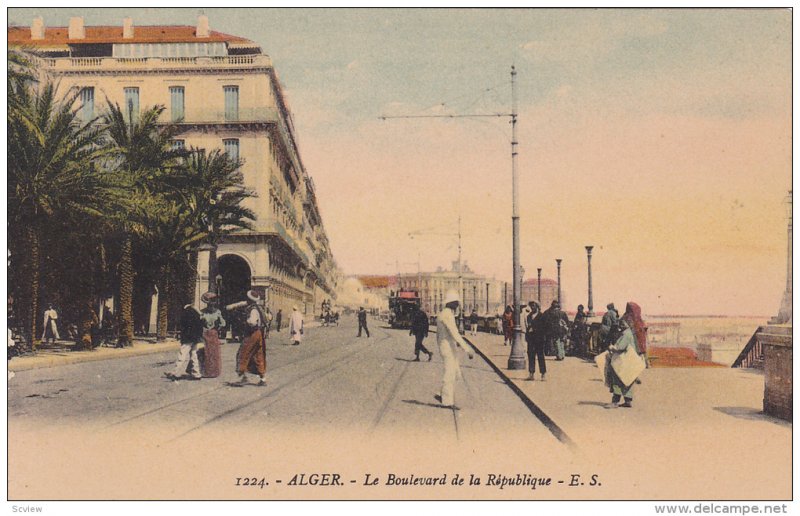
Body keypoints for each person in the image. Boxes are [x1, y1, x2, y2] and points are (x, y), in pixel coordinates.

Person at [434, 290, 475, 409]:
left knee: (456, 373)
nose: (458, 305)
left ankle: (441, 393)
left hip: (447, 347)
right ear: (451, 303)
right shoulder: (447, 315)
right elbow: (454, 333)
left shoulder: (444, 314)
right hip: (447, 349)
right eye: (456, 302)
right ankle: (447, 401)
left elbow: (441, 335)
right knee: (450, 373)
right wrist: (467, 349)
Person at [604, 318, 646, 408]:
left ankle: (615, 402)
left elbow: (620, 347)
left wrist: (611, 347)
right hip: (629, 361)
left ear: (627, 324)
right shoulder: (629, 333)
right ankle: (628, 400)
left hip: (622, 361)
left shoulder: (626, 334)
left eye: (622, 323)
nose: (620, 325)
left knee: (616, 380)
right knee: (627, 380)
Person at [236, 290, 268, 385]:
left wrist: (245, 321)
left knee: (243, 353)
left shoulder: (253, 310)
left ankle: (243, 377)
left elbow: (252, 322)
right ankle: (263, 379)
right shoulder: (259, 308)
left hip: (252, 333)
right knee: (258, 355)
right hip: (259, 334)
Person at [166, 304, 204, 381]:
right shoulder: (197, 313)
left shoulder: (185, 313)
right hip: (195, 338)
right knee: (194, 355)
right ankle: (196, 373)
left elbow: (182, 326)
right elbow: (200, 326)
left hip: (187, 338)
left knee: (182, 355)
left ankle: (176, 373)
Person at [199, 292, 226, 378]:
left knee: (207, 352)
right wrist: (217, 328)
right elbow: (223, 323)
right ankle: (212, 372)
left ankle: (205, 372)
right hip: (213, 333)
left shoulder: (202, 312)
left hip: (206, 333)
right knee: (212, 353)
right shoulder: (217, 312)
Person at [525, 301, 547, 381]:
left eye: (534, 306)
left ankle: (543, 374)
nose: (532, 307)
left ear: (537, 306)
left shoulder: (542, 316)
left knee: (540, 356)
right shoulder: (529, 316)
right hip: (531, 340)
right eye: (531, 306)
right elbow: (528, 327)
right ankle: (531, 374)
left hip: (539, 339)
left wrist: (534, 329)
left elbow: (544, 328)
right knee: (531, 356)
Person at [622, 301, 648, 366]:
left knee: (633, 349)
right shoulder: (639, 317)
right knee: (642, 349)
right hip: (640, 335)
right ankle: (646, 363)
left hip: (634, 335)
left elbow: (625, 324)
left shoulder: (628, 316)